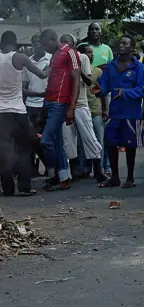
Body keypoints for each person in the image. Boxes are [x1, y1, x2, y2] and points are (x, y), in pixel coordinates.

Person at [0, 31, 48, 196]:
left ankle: (7, 188)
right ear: (14, 43)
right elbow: (42, 75)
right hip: (17, 111)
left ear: (2, 43)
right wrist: (53, 64)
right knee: (23, 149)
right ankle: (24, 187)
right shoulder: (20, 57)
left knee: (2, 150)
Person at [94, 35, 144, 188]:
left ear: (132, 48)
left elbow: (142, 89)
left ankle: (129, 178)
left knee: (130, 146)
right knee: (110, 143)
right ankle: (115, 177)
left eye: (125, 43)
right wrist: (98, 90)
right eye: (120, 43)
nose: (121, 45)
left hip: (131, 113)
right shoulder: (111, 66)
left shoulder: (139, 67)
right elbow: (104, 87)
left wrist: (125, 93)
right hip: (114, 113)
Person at [59, 34, 105, 183]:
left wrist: (78, 70)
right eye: (63, 42)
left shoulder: (82, 58)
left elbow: (89, 81)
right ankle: (73, 172)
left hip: (81, 103)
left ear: (74, 44)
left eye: (68, 42)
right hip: (65, 104)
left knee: (89, 136)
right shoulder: (60, 58)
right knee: (68, 139)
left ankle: (98, 171)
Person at [40, 29, 80, 191]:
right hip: (50, 101)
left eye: (45, 44)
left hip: (59, 103)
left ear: (51, 39)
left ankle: (54, 175)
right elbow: (46, 76)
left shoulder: (70, 53)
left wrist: (71, 107)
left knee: (46, 141)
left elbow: (76, 79)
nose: (44, 48)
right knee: (55, 141)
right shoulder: (55, 55)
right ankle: (63, 178)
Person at [22, 33, 51, 176]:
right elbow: (24, 85)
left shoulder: (51, 59)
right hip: (31, 105)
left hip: (47, 104)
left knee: (47, 138)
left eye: (39, 41)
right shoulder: (27, 62)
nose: (37, 44)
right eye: (34, 42)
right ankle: (32, 169)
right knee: (31, 139)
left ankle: (49, 167)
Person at [78, 43, 108, 181]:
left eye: (92, 52)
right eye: (88, 53)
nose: (92, 55)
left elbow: (103, 93)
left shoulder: (97, 72)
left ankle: (100, 167)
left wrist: (105, 109)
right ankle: (85, 169)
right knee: (83, 141)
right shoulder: (74, 70)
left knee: (98, 140)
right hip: (83, 109)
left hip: (96, 110)